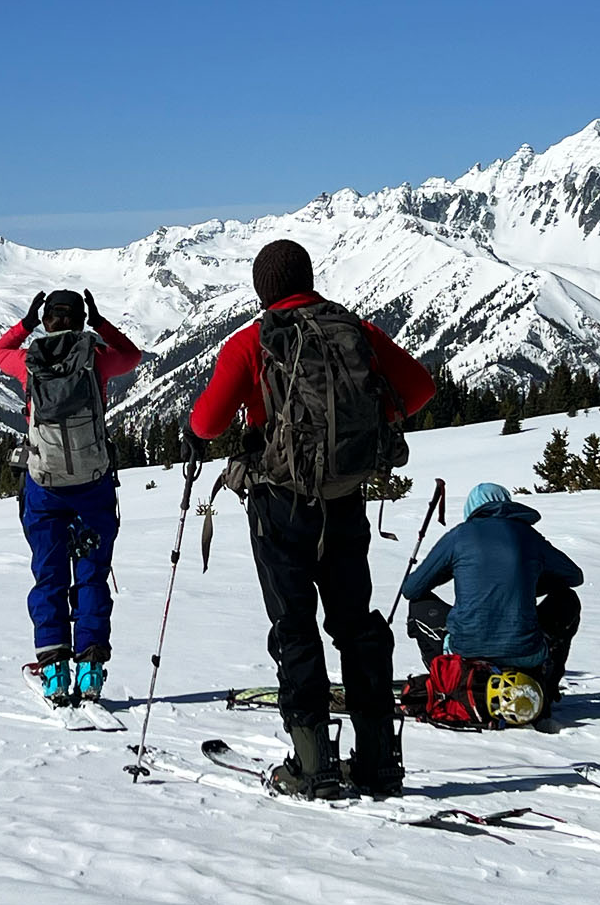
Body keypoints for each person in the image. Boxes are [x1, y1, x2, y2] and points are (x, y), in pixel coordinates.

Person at [187, 238, 436, 799]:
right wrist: (371, 417)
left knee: (295, 629)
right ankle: (378, 762)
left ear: (262, 290)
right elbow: (421, 389)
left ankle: (312, 762)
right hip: (345, 500)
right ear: (309, 276)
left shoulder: (252, 343)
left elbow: (206, 424)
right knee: (357, 625)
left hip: (280, 506)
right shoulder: (355, 330)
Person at [0, 288, 143, 705]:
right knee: (92, 574)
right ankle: (91, 667)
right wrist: (101, 323)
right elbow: (132, 355)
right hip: (93, 486)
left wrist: (25, 323)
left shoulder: (28, 361)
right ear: (80, 319)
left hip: (44, 488)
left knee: (50, 575)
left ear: (47, 319)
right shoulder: (97, 358)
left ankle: (55, 670)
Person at [400, 482, 585, 718]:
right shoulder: (528, 536)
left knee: (419, 606)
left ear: (471, 510)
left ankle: (451, 680)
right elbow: (573, 577)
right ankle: (545, 686)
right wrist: (526, 582)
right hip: (525, 653)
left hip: (465, 650)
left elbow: (412, 589)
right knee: (566, 600)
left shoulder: (459, 536)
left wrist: (451, 571)